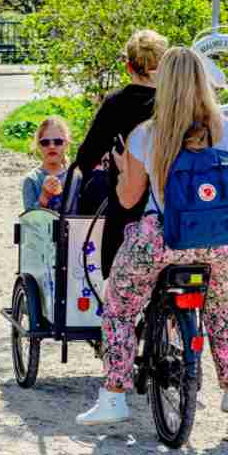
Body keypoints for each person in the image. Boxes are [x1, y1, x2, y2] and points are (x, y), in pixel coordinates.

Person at [76, 47, 228, 426]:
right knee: (221, 309)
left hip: (161, 239)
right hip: (218, 244)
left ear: (165, 84)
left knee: (119, 306)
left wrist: (122, 169)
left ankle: (114, 396)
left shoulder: (146, 135)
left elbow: (129, 198)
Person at [73, 29, 169, 274]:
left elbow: (87, 157)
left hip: (129, 210)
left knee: (118, 287)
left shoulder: (116, 104)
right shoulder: (175, 103)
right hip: (177, 208)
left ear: (129, 66)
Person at [22, 116, 76, 213]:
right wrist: (44, 198)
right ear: (38, 146)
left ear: (66, 144)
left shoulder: (75, 178)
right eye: (45, 142)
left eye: (58, 142)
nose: (51, 146)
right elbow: (29, 222)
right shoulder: (32, 180)